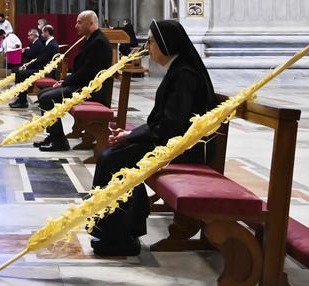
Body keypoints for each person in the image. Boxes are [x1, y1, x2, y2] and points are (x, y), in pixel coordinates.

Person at [87, 20, 217, 256]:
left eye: (151, 40)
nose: (147, 46)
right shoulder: (179, 69)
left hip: (183, 148)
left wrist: (130, 136)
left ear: (166, 44)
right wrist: (131, 135)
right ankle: (120, 230)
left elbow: (170, 125)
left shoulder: (185, 74)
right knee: (112, 156)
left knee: (113, 160)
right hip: (171, 140)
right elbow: (164, 123)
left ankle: (121, 235)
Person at [35, 11, 112, 152]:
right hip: (83, 86)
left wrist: (65, 82)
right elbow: (81, 71)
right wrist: (65, 81)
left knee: (47, 98)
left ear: (91, 23)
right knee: (43, 94)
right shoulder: (91, 39)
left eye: (79, 22)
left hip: (92, 91)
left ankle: (59, 141)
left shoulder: (99, 42)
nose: (76, 26)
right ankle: (53, 136)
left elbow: (87, 73)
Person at [10, 27, 54, 109]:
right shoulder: (45, 43)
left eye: (42, 33)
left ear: (47, 32)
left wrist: (27, 66)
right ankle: (21, 99)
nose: (41, 35)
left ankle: (22, 101)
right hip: (40, 66)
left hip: (42, 69)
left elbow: (40, 59)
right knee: (19, 72)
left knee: (20, 73)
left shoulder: (48, 44)